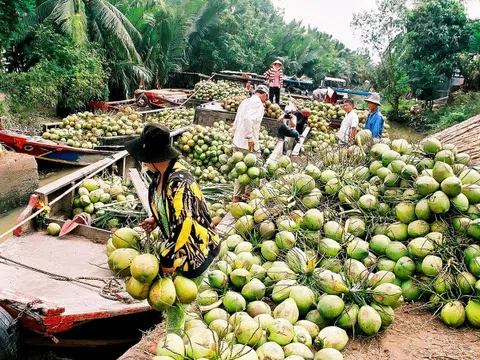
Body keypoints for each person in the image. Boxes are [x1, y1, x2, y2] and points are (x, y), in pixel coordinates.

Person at [125, 124, 220, 333]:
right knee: (175, 295)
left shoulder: (180, 182)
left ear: (151, 157)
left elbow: (184, 223)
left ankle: (172, 342)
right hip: (179, 247)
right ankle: (178, 331)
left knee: (176, 301)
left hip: (196, 248)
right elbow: (171, 210)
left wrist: (168, 259)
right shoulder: (160, 177)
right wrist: (157, 220)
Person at [231, 85, 269, 202]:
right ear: (263, 94)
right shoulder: (257, 103)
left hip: (237, 141)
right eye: (266, 97)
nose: (266, 99)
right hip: (248, 143)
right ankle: (248, 196)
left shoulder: (245, 102)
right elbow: (248, 119)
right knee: (254, 170)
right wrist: (250, 137)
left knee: (240, 171)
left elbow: (237, 120)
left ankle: (237, 197)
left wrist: (234, 135)